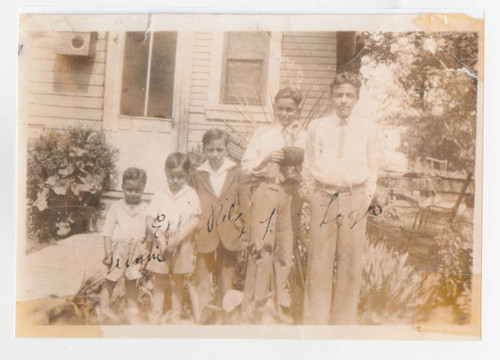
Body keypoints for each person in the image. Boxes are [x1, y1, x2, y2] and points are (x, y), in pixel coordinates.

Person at [301, 72, 379, 325]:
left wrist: (365, 198)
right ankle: (316, 323)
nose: (343, 100)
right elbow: (308, 164)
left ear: (356, 98)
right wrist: (312, 196)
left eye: (349, 95)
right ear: (331, 97)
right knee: (319, 262)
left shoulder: (367, 128)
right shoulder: (317, 127)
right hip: (323, 196)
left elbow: (373, 166)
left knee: (350, 261)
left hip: (354, 197)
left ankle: (343, 325)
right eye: (339, 95)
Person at [241, 87, 306, 323]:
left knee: (285, 251)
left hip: (291, 194)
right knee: (260, 249)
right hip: (266, 190)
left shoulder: (304, 136)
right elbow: (246, 166)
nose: (285, 114)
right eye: (280, 109)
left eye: (290, 109)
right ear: (274, 109)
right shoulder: (263, 134)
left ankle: (279, 310)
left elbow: (313, 166)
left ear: (298, 110)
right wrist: (265, 159)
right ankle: (255, 310)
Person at [189, 129, 250, 323]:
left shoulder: (237, 172)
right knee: (202, 278)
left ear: (226, 150)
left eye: (219, 150)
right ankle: (203, 317)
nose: (215, 155)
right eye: (210, 150)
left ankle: (225, 318)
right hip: (204, 233)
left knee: (227, 279)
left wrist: (244, 232)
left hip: (229, 233)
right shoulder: (198, 174)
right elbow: (191, 204)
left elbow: (244, 203)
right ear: (204, 149)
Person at [145, 153, 201, 323]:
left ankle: (176, 313)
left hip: (182, 242)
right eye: (171, 177)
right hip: (161, 241)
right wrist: (161, 239)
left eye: (180, 177)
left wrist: (178, 238)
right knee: (160, 279)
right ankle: (156, 314)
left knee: (178, 279)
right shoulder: (160, 194)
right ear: (165, 173)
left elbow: (195, 219)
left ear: (187, 174)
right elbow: (150, 219)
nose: (175, 181)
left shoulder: (190, 194)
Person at [100, 167, 149, 322]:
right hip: (118, 250)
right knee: (111, 279)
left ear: (143, 189)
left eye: (137, 190)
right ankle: (104, 307)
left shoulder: (146, 208)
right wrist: (108, 253)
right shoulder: (116, 207)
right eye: (129, 189)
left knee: (132, 280)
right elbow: (107, 231)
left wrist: (146, 252)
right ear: (122, 187)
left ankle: (132, 306)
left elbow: (149, 233)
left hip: (136, 250)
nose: (133, 194)